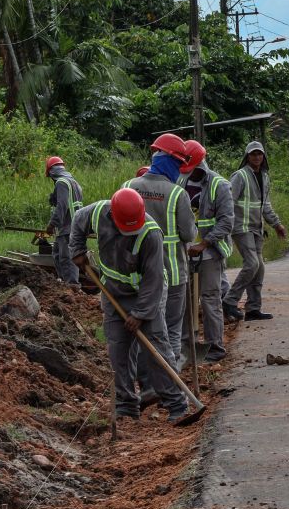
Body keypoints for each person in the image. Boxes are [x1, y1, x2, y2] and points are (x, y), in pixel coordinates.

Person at [70, 188, 198, 426]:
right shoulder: (98, 212)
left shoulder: (150, 233)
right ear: (114, 216)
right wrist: (76, 250)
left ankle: (177, 405)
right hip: (113, 293)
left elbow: (154, 280)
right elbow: (77, 221)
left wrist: (140, 313)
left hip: (147, 295)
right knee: (119, 350)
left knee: (156, 350)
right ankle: (127, 407)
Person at [124, 133, 196, 369]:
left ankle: (147, 382)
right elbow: (189, 235)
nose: (180, 169)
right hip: (172, 273)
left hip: (137, 276)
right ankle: (171, 384)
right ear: (170, 163)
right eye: (178, 164)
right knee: (172, 330)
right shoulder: (177, 193)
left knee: (142, 331)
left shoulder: (128, 187)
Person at [179, 140, 234, 363]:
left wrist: (205, 243)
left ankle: (215, 346)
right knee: (185, 300)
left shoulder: (220, 185)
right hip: (186, 252)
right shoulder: (181, 181)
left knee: (210, 299)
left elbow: (226, 221)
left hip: (210, 253)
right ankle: (186, 346)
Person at [224, 140, 286, 321]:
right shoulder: (240, 176)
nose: (257, 157)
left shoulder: (264, 176)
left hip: (257, 227)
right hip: (240, 227)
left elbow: (265, 205)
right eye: (253, 154)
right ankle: (229, 301)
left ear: (263, 156)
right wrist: (225, 226)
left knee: (259, 268)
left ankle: (253, 309)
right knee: (252, 264)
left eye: (259, 154)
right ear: (247, 156)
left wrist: (276, 224)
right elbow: (228, 202)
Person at [45, 155, 83, 285]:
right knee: (56, 253)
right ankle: (63, 283)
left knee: (67, 258)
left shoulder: (61, 182)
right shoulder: (73, 182)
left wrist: (52, 224)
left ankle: (72, 286)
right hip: (73, 225)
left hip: (68, 227)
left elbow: (62, 206)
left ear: (51, 172)